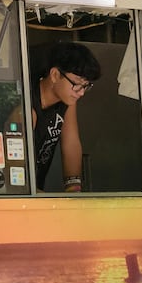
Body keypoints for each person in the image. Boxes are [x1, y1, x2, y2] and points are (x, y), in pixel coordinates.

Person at [30, 41, 102, 192]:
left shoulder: (67, 100)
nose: (81, 92)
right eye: (77, 84)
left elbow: (71, 143)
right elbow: (15, 167)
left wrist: (74, 189)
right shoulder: (29, 106)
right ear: (55, 75)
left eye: (86, 86)